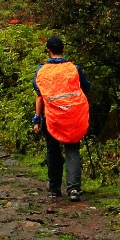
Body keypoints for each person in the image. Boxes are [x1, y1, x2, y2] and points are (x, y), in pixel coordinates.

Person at [33, 34, 92, 202]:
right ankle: (74, 189)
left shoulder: (41, 70)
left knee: (53, 151)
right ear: (63, 50)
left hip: (52, 117)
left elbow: (40, 95)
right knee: (72, 150)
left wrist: (37, 118)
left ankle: (54, 189)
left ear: (48, 51)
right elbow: (86, 87)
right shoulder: (74, 68)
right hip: (73, 115)